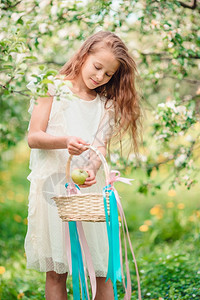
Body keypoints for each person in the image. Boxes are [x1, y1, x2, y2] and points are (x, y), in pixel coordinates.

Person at [25, 30, 141, 300]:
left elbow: (99, 146)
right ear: (83, 54)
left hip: (89, 191)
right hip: (53, 190)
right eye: (97, 67)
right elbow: (34, 137)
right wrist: (65, 141)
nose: (100, 77)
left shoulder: (105, 105)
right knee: (57, 271)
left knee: (102, 267)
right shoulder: (51, 87)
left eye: (108, 74)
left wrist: (92, 169)